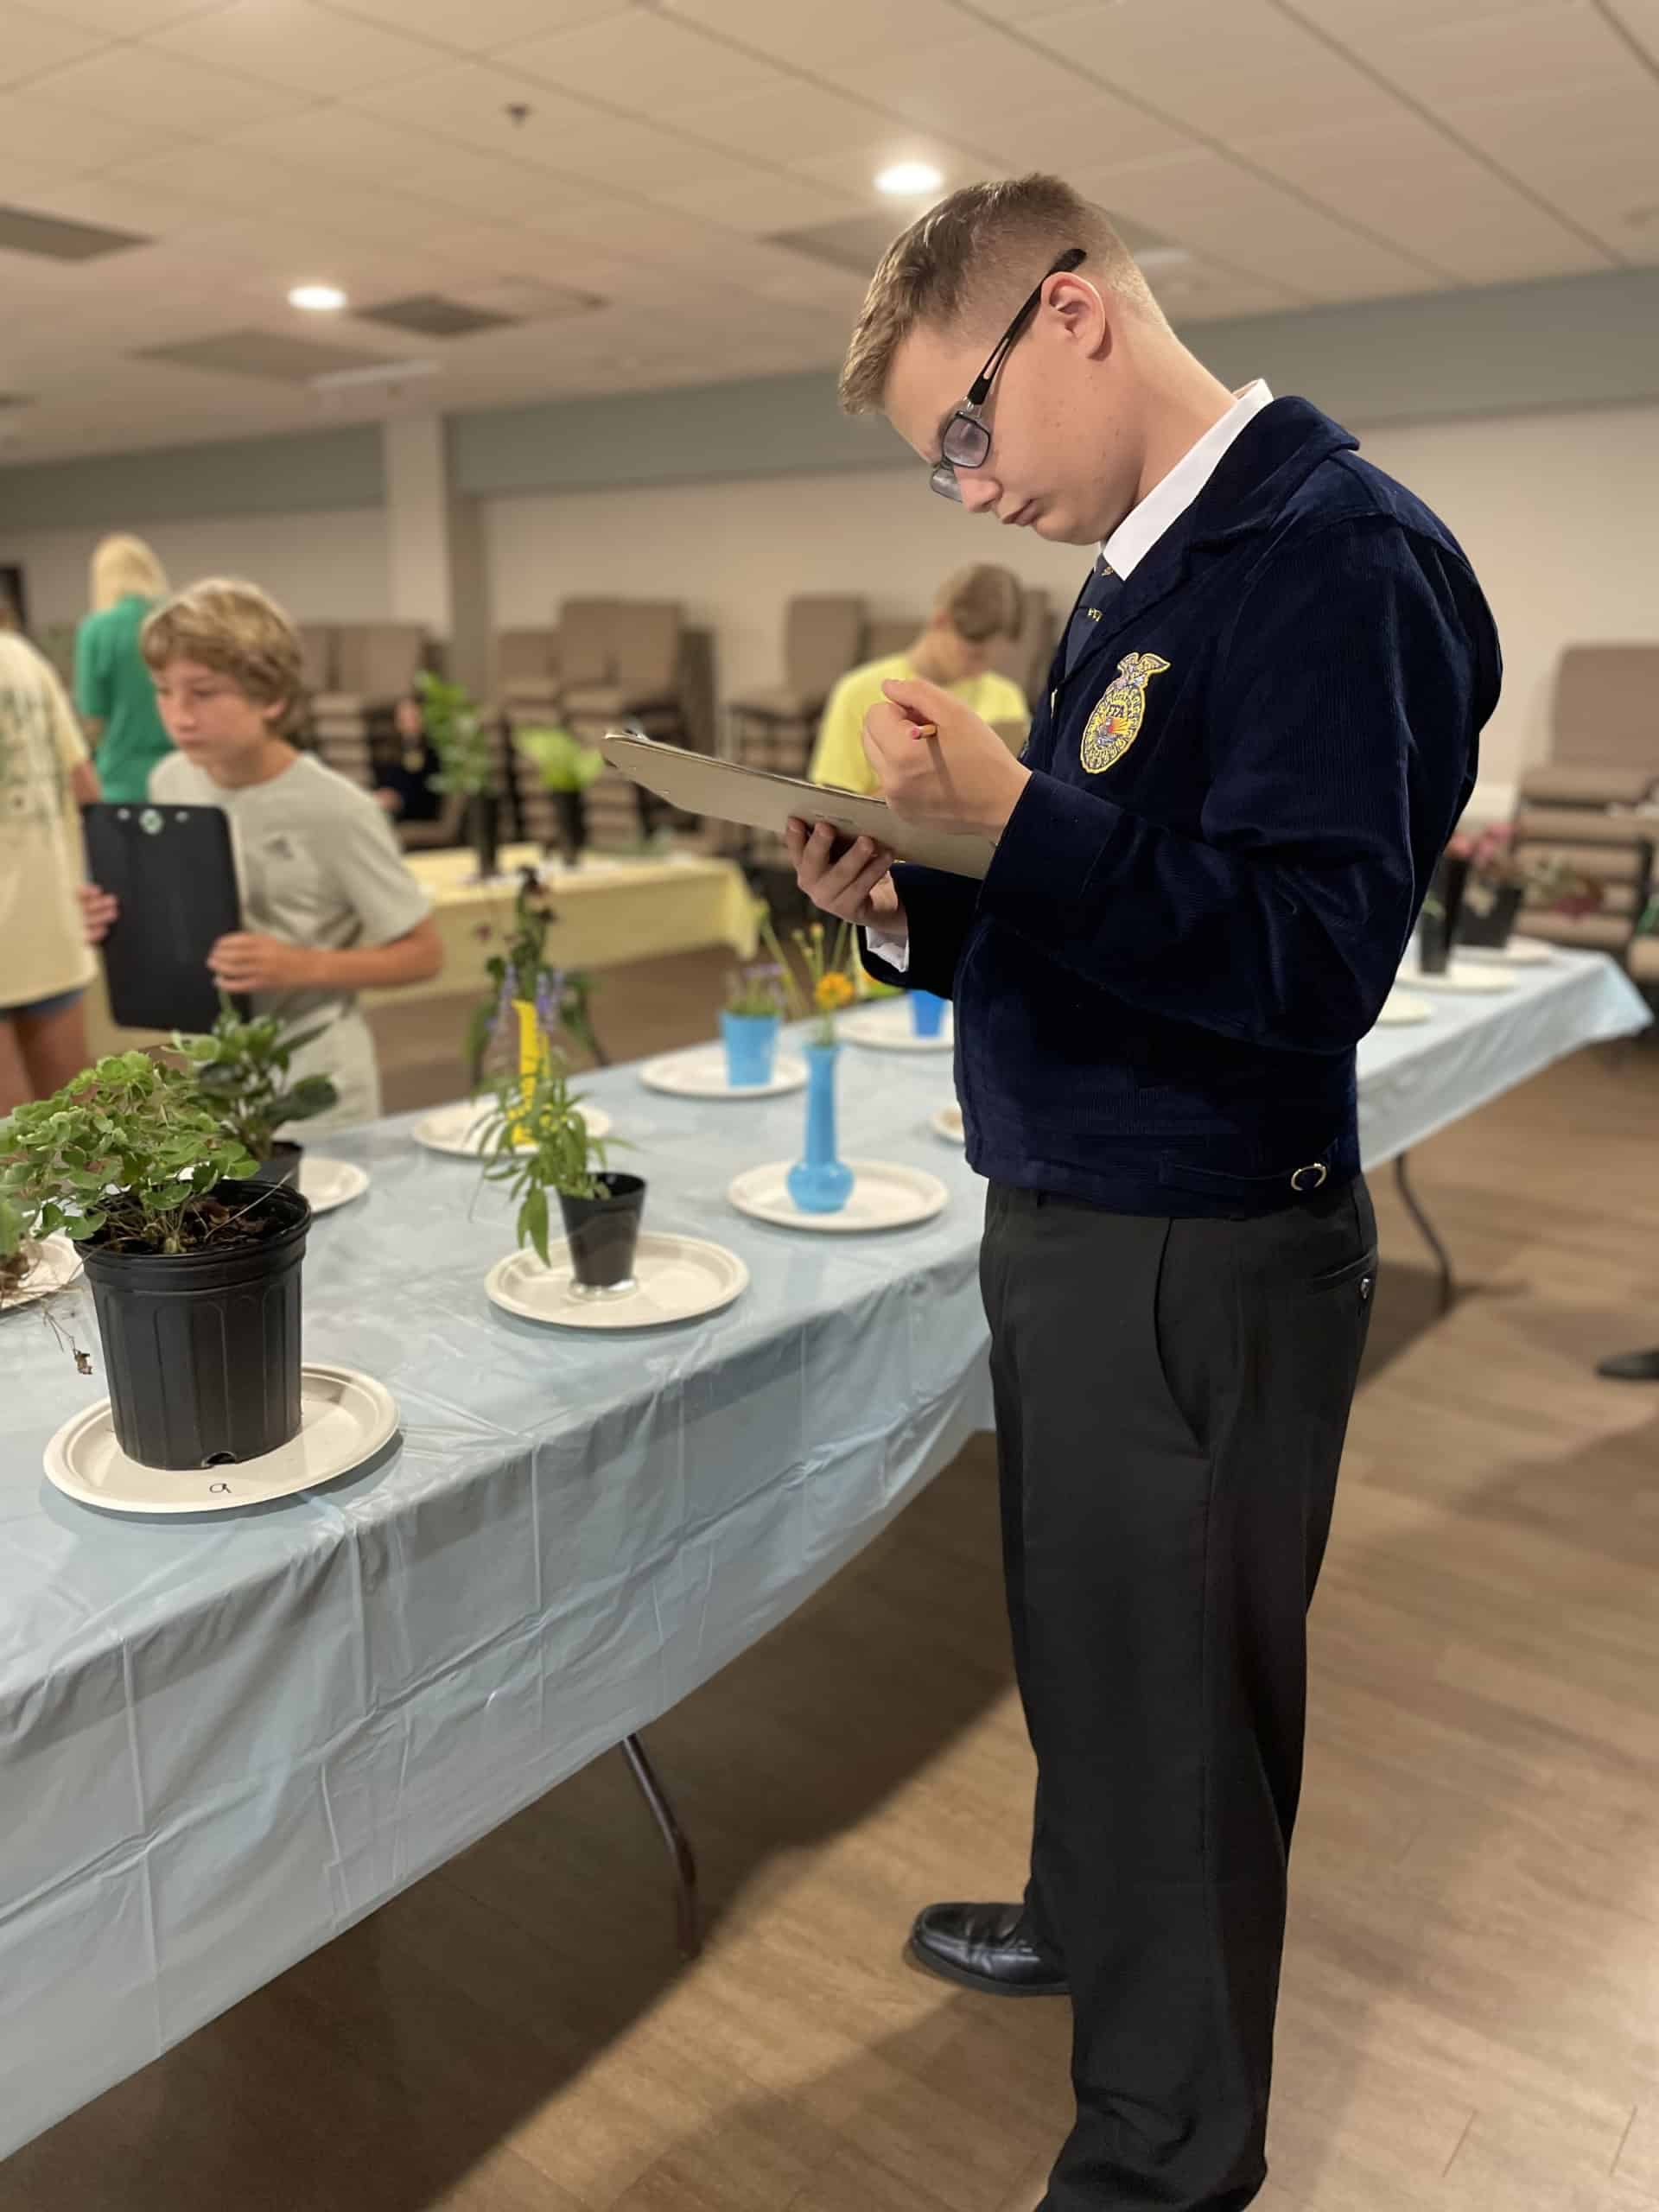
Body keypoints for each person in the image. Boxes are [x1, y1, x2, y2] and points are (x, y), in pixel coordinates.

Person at [785, 174, 1499, 2212]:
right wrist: (922, 895)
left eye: (962, 431)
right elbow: (1111, 904)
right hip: (1084, 1208)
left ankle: (1165, 2155)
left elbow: (1303, 965)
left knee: (1179, 1713)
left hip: (1200, 1235)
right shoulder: (1150, 568)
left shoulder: (1330, 556)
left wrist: (1021, 824)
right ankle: (1085, 1920)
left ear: (1071, 317)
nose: (966, 488)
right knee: (1089, 1642)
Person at [80, 579, 443, 1132]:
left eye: (203, 693)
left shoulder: (336, 810)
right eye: (163, 690)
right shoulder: (171, 779)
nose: (178, 715)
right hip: (216, 1074)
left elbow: (424, 953)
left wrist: (302, 965)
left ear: (270, 697)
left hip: (316, 1083)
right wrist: (119, 917)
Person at [809, 563, 1030, 792]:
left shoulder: (1007, 696)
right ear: (941, 621)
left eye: (993, 660)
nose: (980, 671)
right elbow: (837, 804)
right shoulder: (858, 690)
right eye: (974, 656)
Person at [0, 628, 100, 1112]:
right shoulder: (21, 655)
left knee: (9, 1146)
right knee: (79, 1124)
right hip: (49, 919)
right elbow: (84, 784)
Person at [73, 533, 175, 803]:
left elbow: (92, 711)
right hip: (181, 768)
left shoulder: (96, 629)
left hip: (121, 776)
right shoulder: (174, 621)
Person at [369, 692, 443, 823]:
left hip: (419, 810)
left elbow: (428, 789)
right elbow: (385, 779)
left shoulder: (433, 751)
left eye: (412, 717)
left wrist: (400, 800)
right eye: (403, 718)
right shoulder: (390, 749)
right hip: (390, 808)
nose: (408, 723)